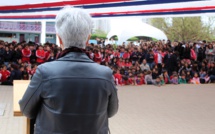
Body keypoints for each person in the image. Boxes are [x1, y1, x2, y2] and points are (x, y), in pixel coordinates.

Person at [19, 7, 118, 134]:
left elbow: (26, 110)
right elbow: (111, 111)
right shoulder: (105, 74)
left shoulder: (44, 72)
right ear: (88, 39)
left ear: (59, 39)